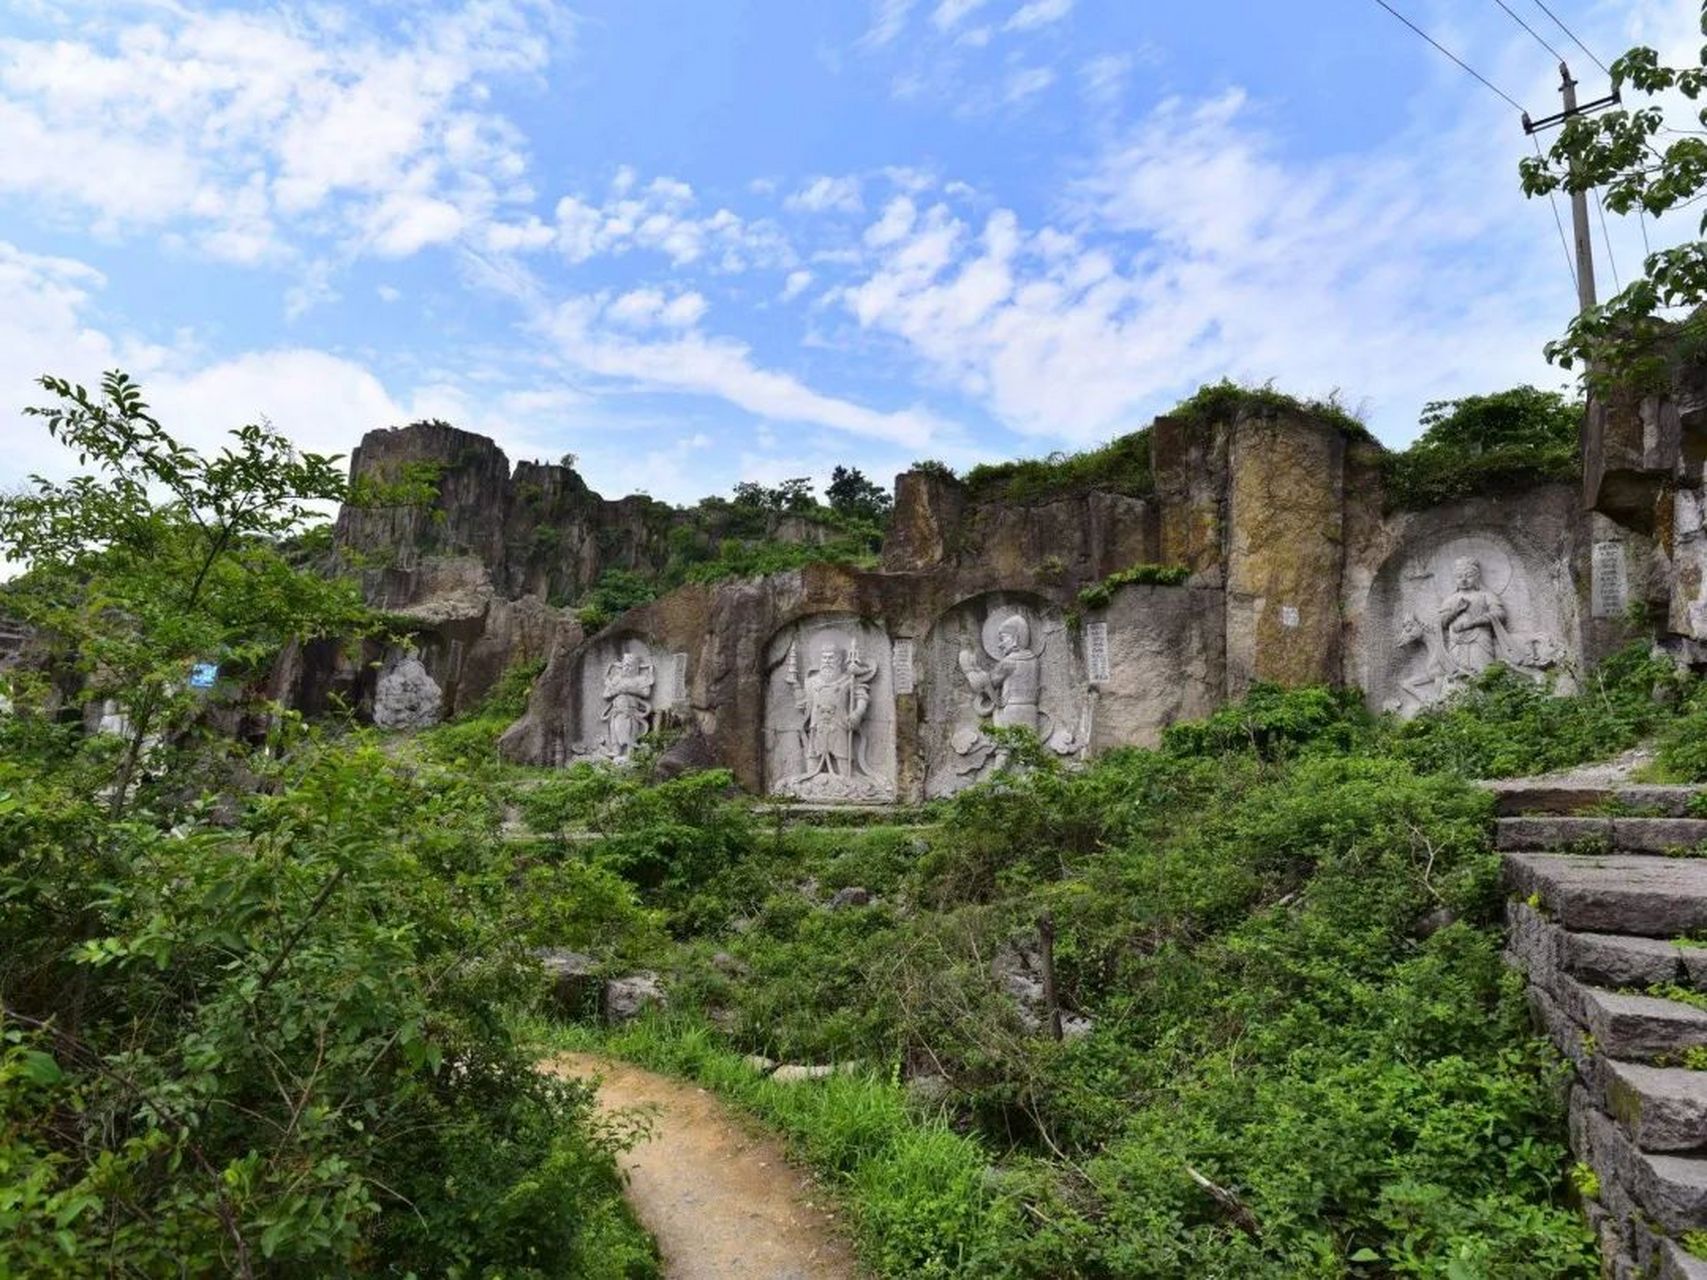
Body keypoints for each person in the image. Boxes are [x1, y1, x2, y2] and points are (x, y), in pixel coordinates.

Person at [1438, 556, 1507, 677]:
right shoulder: (1449, 600)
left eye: (1468, 576)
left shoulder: (1486, 595)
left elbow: (1500, 614)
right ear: (1455, 579)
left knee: (1484, 673)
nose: (1464, 580)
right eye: (1459, 576)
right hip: (1456, 642)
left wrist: (1474, 622)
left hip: (1480, 639)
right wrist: (1456, 611)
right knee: (1458, 677)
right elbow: (1441, 623)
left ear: (1477, 577)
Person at [601, 652, 655, 760]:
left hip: (631, 711)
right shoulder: (617, 679)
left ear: (636, 667)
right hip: (616, 711)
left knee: (630, 732)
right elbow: (606, 694)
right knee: (615, 731)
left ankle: (630, 754)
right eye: (625, 665)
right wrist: (617, 690)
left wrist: (629, 689)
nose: (627, 668)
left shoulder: (641, 679)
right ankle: (616, 751)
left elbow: (646, 693)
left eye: (630, 665)